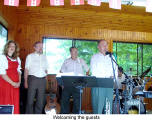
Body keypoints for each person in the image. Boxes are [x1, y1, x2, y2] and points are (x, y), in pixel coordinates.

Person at [90, 40, 118, 114]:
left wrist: (113, 79)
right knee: (98, 109)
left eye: (106, 45)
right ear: (98, 47)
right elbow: (94, 72)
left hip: (109, 85)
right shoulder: (94, 57)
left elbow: (115, 71)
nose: (106, 47)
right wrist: (108, 76)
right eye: (103, 45)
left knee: (108, 108)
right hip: (98, 85)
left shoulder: (112, 57)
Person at [60, 46, 89, 114]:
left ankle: (75, 116)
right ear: (70, 52)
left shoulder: (81, 60)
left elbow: (87, 70)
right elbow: (61, 72)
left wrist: (84, 82)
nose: (76, 53)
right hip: (67, 83)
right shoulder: (66, 61)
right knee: (64, 101)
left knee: (77, 103)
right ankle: (64, 116)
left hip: (78, 84)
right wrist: (62, 84)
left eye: (77, 51)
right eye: (74, 51)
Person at [24, 41, 48, 114]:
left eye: (42, 47)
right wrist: (25, 81)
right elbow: (26, 69)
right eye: (39, 46)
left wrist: (46, 78)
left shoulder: (45, 56)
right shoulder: (30, 56)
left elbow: (46, 69)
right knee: (30, 100)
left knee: (40, 101)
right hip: (32, 79)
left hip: (42, 80)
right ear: (34, 47)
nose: (41, 48)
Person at [0, 40, 21, 114]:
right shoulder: (2, 57)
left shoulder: (17, 58)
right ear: (7, 47)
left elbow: (19, 71)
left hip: (16, 85)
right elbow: (2, 74)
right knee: (6, 102)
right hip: (6, 84)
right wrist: (13, 83)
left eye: (14, 46)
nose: (12, 47)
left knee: (15, 102)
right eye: (10, 46)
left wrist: (19, 82)